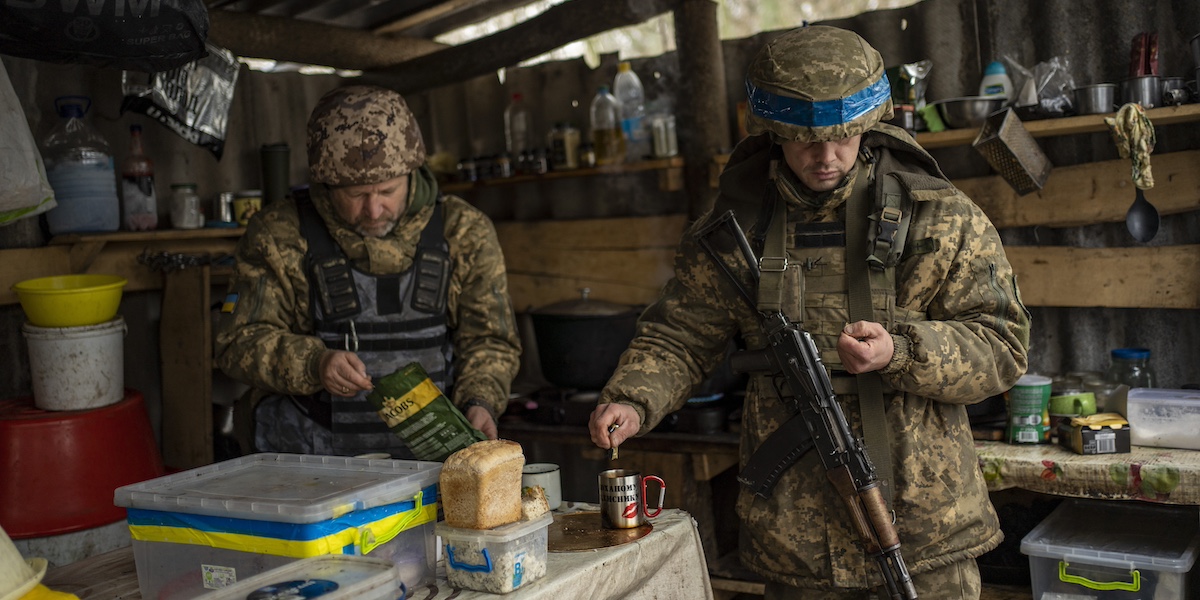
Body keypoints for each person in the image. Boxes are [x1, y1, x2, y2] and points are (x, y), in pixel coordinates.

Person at [588, 26, 1030, 599]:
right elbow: (680, 334)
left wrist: (902, 350)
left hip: (923, 529)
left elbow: (1003, 345)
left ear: (869, 123)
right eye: (804, 141)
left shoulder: (940, 216)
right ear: (772, 132)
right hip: (796, 541)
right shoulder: (733, 229)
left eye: (843, 137)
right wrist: (632, 396)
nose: (826, 156)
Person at [215, 85, 521, 458]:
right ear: (327, 185)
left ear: (411, 172)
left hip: (431, 460)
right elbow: (236, 341)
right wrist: (314, 362)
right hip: (309, 459)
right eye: (357, 195)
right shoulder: (278, 235)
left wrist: (480, 400)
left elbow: (490, 340)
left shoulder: (463, 231)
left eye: (387, 191)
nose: (374, 210)